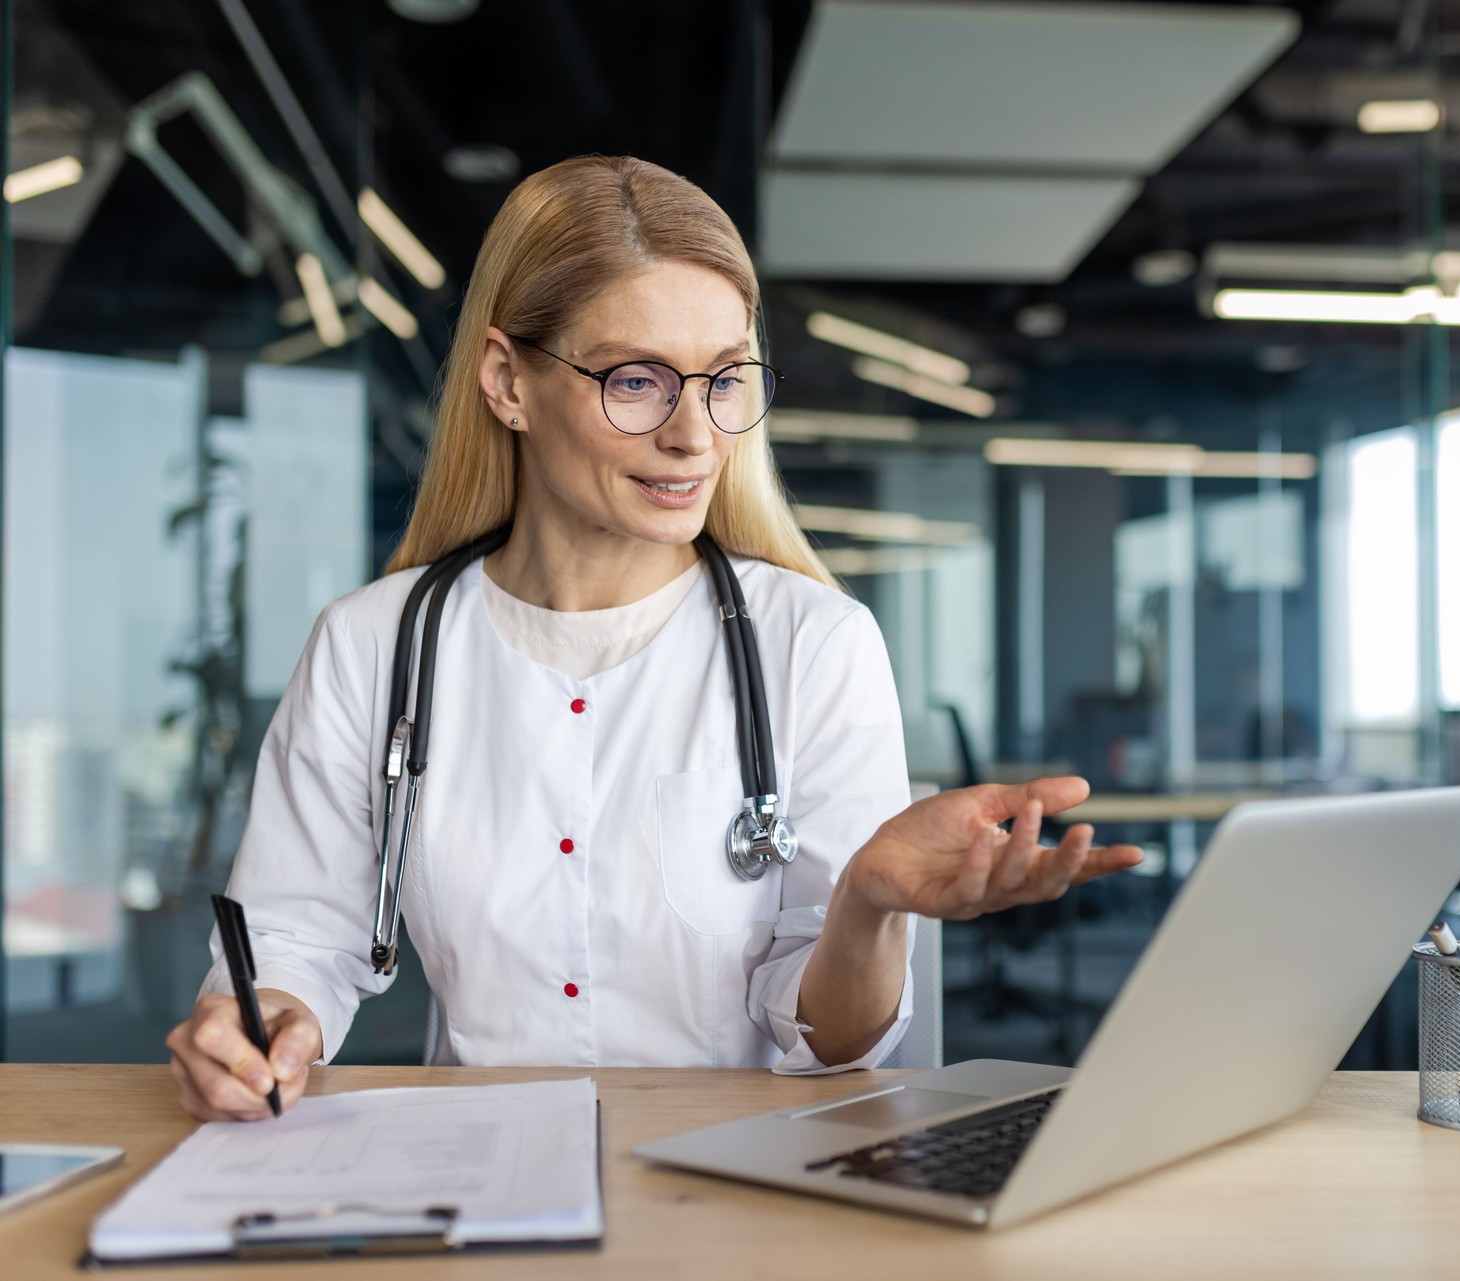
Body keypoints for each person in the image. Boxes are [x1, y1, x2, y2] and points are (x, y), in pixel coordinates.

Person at [165, 156, 1141, 1121]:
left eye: (724, 380)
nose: (696, 436)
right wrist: (263, 1028)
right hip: (474, 1171)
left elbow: (837, 1044)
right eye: (637, 381)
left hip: (740, 1187)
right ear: (506, 380)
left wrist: (867, 906)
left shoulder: (815, 642)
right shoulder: (370, 646)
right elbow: (293, 943)